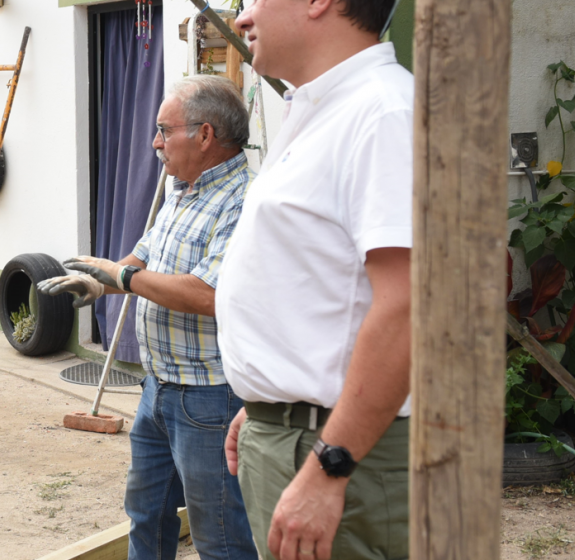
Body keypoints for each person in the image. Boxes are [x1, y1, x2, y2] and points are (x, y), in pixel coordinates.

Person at [217, 1, 414, 559]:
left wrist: (331, 461)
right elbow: (329, 287)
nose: (241, 18)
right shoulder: (325, 109)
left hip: (341, 456)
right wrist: (277, 396)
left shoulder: (383, 113)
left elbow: (410, 308)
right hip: (304, 433)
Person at [39, 75, 258, 560]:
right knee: (146, 517)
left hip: (210, 398)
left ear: (204, 135)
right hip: (157, 388)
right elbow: (146, 252)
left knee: (219, 536)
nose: (155, 143)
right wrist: (102, 282)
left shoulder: (244, 201)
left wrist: (122, 280)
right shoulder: (184, 188)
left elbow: (209, 294)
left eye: (165, 130)